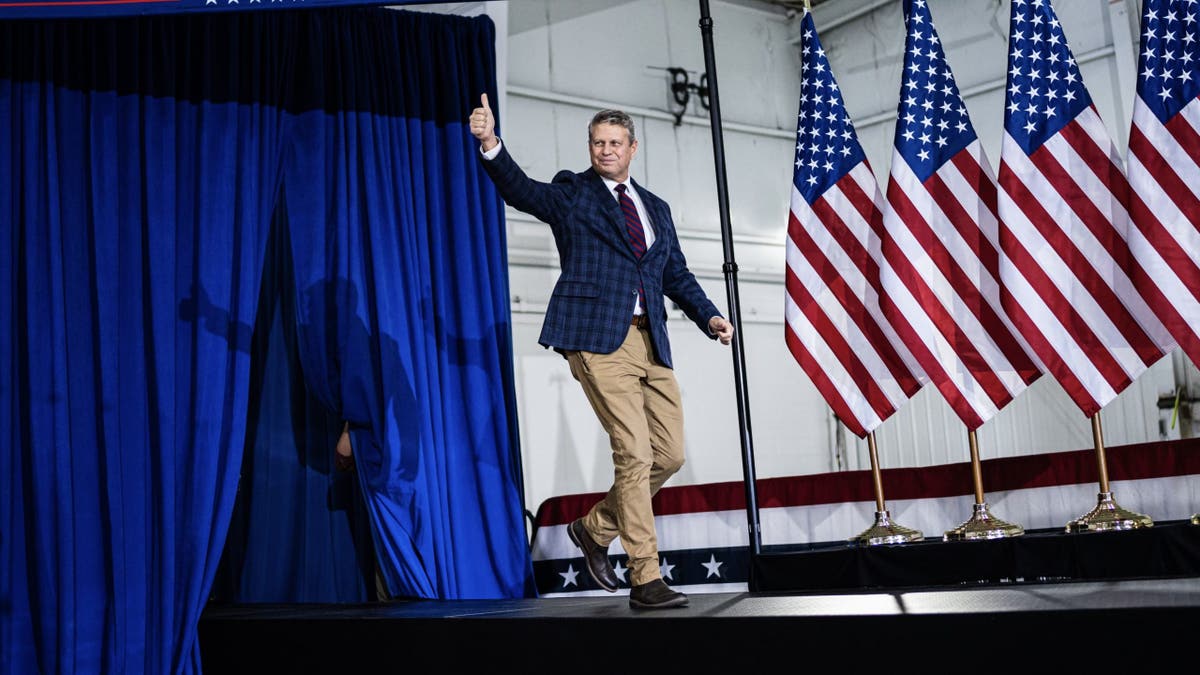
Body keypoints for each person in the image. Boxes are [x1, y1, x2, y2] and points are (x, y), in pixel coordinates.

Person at [468, 94, 734, 609]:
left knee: (670, 454)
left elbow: (673, 273)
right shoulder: (575, 193)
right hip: (595, 338)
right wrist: (490, 145)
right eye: (598, 143)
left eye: (615, 143)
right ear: (590, 148)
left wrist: (710, 316)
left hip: (650, 339)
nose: (606, 150)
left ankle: (594, 529)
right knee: (633, 453)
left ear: (633, 148)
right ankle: (645, 576)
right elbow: (525, 194)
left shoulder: (655, 207)